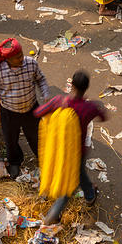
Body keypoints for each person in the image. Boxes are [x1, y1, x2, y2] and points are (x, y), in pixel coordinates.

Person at [36, 70, 107, 224]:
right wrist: (96, 106)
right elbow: (103, 116)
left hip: (58, 148)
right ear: (86, 87)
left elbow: (38, 112)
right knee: (70, 185)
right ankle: (52, 216)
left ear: (71, 85)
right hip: (77, 151)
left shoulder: (58, 102)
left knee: (78, 174)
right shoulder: (89, 107)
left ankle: (89, 194)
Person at [0, 38, 49, 177]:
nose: (22, 58)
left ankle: (42, 157)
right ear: (7, 59)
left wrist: (45, 93)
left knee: (36, 137)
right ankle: (15, 162)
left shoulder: (31, 64)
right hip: (9, 113)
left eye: (21, 54)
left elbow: (41, 79)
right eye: (17, 57)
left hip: (31, 110)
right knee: (11, 140)